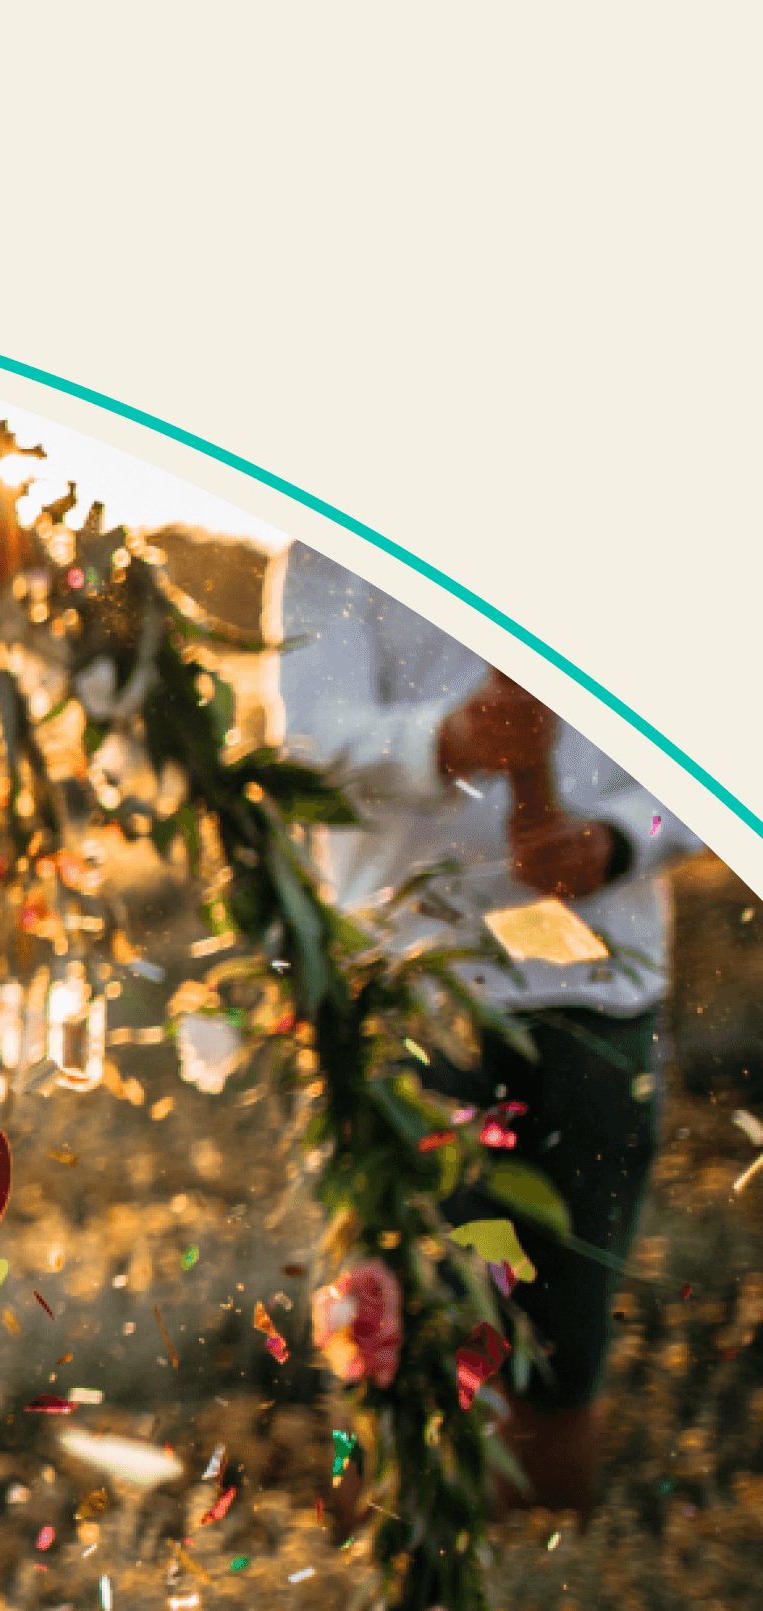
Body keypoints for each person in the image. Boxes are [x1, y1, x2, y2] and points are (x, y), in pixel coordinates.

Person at [271, 542, 697, 1512]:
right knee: (399, 1336)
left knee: (566, 1346)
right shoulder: (332, 549)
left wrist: (620, 837)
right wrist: (449, 741)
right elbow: (307, 749)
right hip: (413, 992)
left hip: (601, 989)